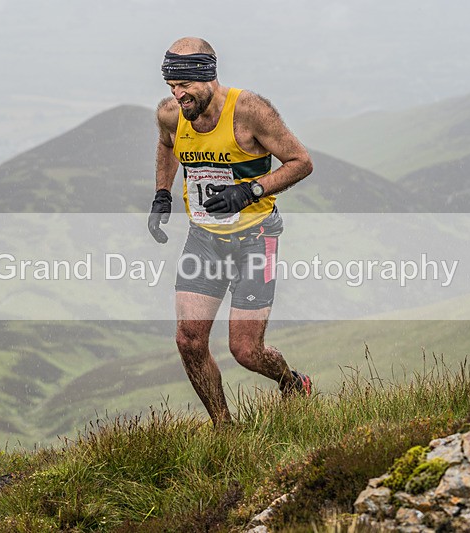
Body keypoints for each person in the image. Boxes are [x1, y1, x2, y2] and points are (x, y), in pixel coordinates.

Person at [148, 37, 314, 426]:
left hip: (257, 237)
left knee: (246, 351)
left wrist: (249, 191)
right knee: (188, 341)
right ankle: (225, 427)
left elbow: (301, 162)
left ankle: (292, 383)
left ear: (208, 77)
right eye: (171, 85)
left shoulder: (250, 111)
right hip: (204, 239)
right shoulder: (171, 114)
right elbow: (166, 144)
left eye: (185, 85)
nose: (178, 94)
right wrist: (161, 195)